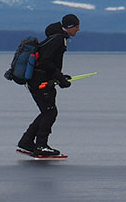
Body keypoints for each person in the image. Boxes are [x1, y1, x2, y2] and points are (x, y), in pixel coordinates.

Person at [17, 14, 80, 156]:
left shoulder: (57, 38)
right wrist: (59, 78)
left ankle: (26, 141)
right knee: (50, 112)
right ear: (69, 27)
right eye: (76, 26)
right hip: (40, 81)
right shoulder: (58, 39)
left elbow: (49, 63)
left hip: (38, 79)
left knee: (47, 111)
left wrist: (60, 77)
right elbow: (46, 62)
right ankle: (41, 145)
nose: (78, 29)